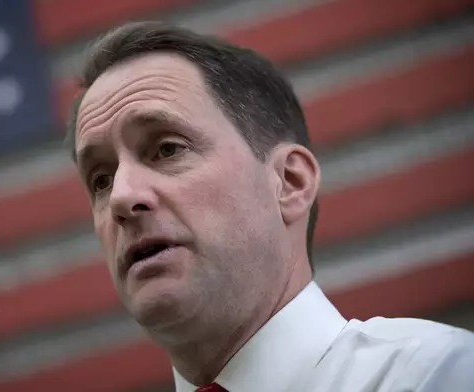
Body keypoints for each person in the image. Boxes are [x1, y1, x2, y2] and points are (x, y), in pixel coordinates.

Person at [65, 21, 474, 392]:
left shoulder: (438, 376)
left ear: (290, 183)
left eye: (167, 149)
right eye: (101, 179)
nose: (121, 196)